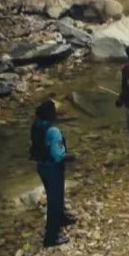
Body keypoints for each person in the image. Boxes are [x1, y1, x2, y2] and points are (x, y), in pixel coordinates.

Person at [29, 99, 76, 247]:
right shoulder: (53, 131)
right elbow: (57, 154)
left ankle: (62, 218)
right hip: (53, 167)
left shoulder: (36, 126)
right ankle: (51, 237)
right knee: (54, 201)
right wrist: (69, 157)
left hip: (41, 166)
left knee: (54, 194)